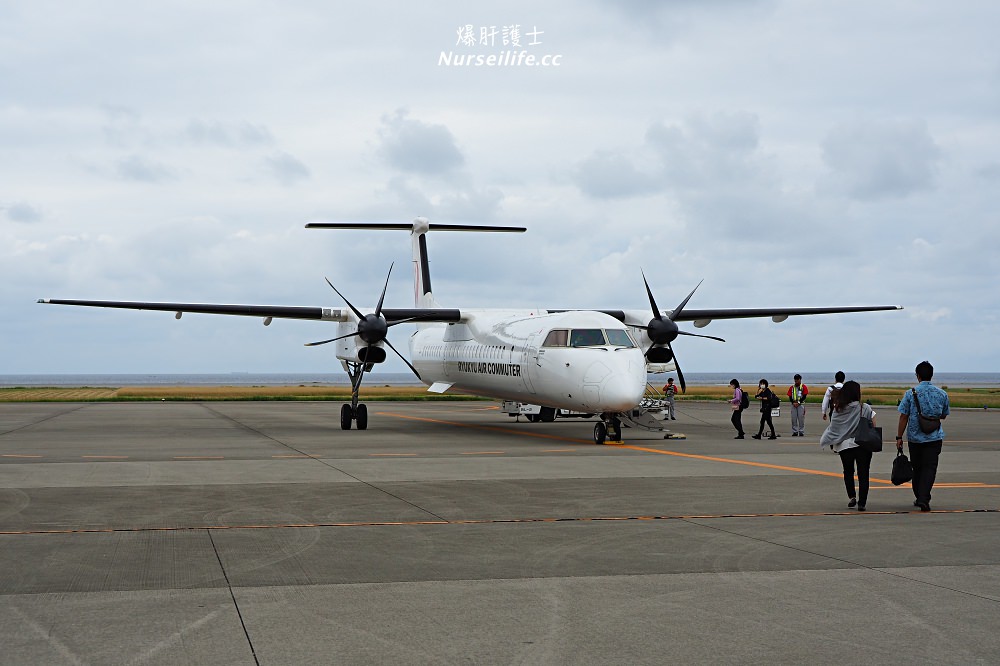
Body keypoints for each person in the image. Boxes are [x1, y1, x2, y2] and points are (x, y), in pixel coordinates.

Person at [896, 361, 950, 512]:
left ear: (918, 376)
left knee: (917, 467)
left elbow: (903, 417)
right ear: (931, 375)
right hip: (934, 437)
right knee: (930, 468)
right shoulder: (942, 394)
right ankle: (923, 498)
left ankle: (921, 496)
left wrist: (899, 437)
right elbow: (944, 415)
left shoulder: (910, 393)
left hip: (915, 438)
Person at [820, 380, 876, 511]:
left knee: (848, 471)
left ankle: (852, 496)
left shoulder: (839, 409)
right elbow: (873, 422)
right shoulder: (865, 407)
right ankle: (862, 502)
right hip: (863, 444)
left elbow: (833, 427)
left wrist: (830, 439)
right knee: (864, 473)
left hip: (845, 446)